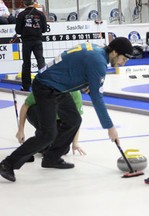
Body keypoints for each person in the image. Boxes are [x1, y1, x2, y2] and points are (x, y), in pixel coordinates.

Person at [0, 37, 133, 182]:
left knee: (74, 119)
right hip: (46, 87)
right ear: (114, 52)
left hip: (57, 87)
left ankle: (51, 158)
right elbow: (97, 99)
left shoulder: (96, 51)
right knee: (47, 135)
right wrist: (110, 127)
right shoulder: (99, 62)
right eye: (123, 59)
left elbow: (71, 68)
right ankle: (7, 164)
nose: (122, 63)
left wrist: (84, 84)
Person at [16, 90, 86, 160]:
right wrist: (21, 130)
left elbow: (75, 119)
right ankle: (42, 134)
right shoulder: (44, 87)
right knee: (47, 138)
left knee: (64, 149)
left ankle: (43, 140)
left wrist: (75, 142)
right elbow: (25, 106)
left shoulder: (75, 92)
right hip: (40, 113)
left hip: (58, 119)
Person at [15, 0, 47, 91]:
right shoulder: (40, 14)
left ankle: (25, 87)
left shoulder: (21, 15)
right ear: (33, 3)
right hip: (37, 40)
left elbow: (18, 31)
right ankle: (44, 85)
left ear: (24, 4)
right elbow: (44, 29)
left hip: (26, 41)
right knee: (41, 61)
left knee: (26, 63)